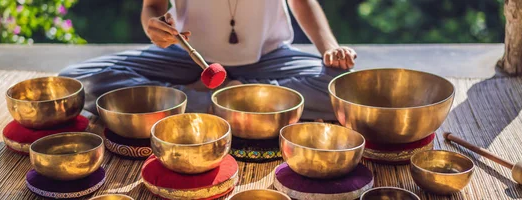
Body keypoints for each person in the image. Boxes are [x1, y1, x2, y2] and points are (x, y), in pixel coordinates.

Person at [59, 0, 357, 121]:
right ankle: (248, 101)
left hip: (269, 58)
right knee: (76, 79)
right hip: (187, 57)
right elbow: (152, 6)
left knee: (345, 88)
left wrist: (329, 48)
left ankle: (196, 100)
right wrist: (154, 27)